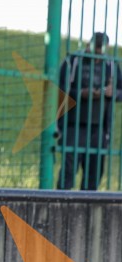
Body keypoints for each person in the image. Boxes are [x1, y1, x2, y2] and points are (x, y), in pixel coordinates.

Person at [58, 31, 122, 191]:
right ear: (88, 45)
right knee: (68, 173)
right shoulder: (73, 61)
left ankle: (87, 208)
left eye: (101, 51)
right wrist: (81, 93)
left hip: (99, 128)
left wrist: (111, 92)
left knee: (94, 174)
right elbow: (58, 90)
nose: (97, 56)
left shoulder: (112, 65)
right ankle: (61, 205)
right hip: (73, 125)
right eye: (95, 50)